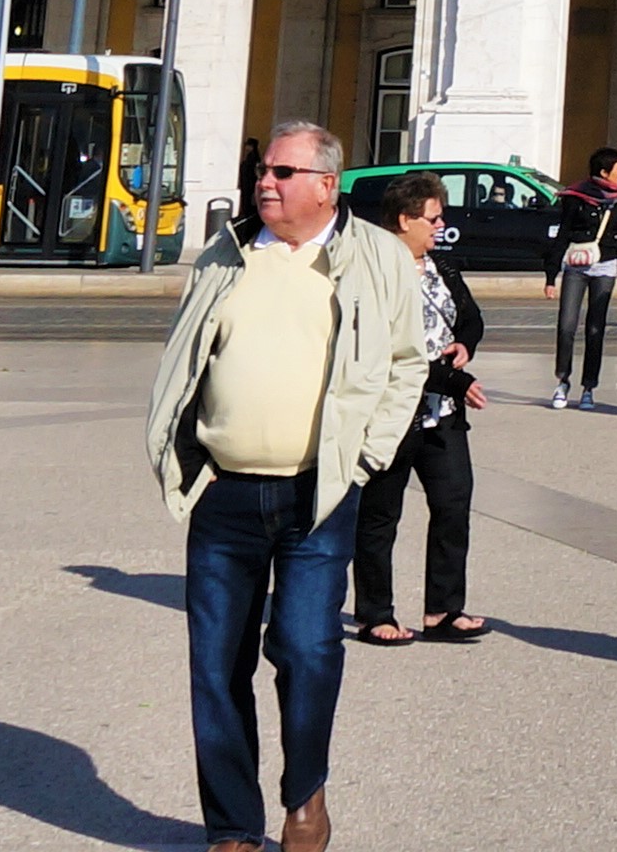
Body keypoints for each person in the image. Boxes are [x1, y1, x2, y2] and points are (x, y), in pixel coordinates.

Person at [148, 121, 429, 852]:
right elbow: (187, 357)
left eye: (282, 172)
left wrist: (368, 456)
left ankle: (305, 794)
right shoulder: (226, 252)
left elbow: (408, 361)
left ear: (327, 185)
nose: (263, 183)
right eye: (261, 170)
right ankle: (232, 828)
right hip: (224, 492)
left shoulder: (375, 257)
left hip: (322, 492)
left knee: (307, 649)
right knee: (216, 665)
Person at [348, 176, 486, 646]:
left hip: (441, 413)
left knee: (453, 503)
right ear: (404, 220)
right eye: (434, 217)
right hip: (393, 412)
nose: (441, 225)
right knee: (380, 515)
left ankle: (443, 610)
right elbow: (390, 352)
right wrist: (456, 380)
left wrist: (464, 345)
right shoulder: (376, 272)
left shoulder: (440, 266)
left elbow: (469, 316)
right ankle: (374, 613)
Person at [542, 147, 617, 410]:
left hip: (605, 266)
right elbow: (563, 234)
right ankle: (562, 381)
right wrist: (550, 276)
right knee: (567, 326)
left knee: (595, 328)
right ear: (604, 172)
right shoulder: (575, 196)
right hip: (576, 266)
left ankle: (589, 387)